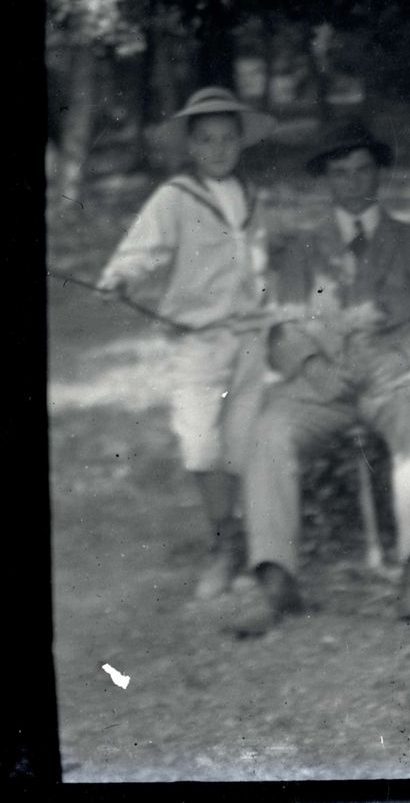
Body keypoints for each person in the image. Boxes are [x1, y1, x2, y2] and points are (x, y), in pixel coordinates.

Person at [237, 117, 410, 630]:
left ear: (378, 174)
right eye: (341, 173)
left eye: (364, 171)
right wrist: (312, 365)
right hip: (324, 381)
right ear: (326, 179)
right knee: (269, 431)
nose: (354, 183)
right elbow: (279, 327)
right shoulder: (299, 250)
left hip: (394, 374)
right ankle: (273, 578)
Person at [96, 86, 277, 601]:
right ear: (191, 147)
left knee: (242, 445)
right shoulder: (175, 197)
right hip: (199, 341)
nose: (218, 149)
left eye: (227, 139)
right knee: (202, 445)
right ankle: (221, 543)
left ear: (241, 142)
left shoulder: (251, 195)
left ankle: (240, 546)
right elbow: (142, 249)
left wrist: (272, 303)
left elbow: (260, 260)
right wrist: (121, 276)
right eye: (206, 140)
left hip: (248, 338)